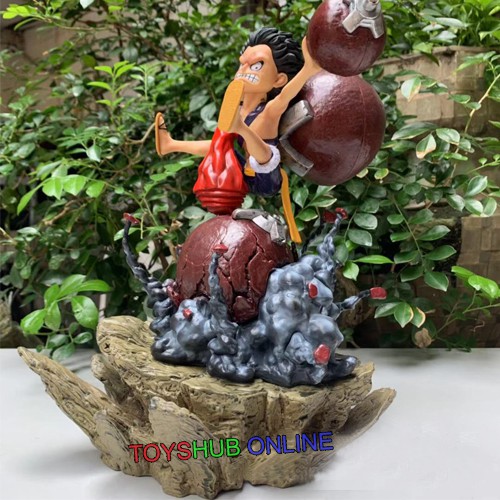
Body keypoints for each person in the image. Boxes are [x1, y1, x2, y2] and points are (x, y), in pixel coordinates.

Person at [155, 28, 321, 238]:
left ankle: (240, 129)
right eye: (242, 64)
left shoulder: (268, 111)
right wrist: (176, 145)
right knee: (221, 141)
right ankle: (170, 144)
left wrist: (308, 70)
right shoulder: (240, 110)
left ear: (278, 79)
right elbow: (216, 146)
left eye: (256, 65)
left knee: (257, 134)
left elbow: (284, 97)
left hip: (266, 177)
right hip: (243, 174)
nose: (244, 70)